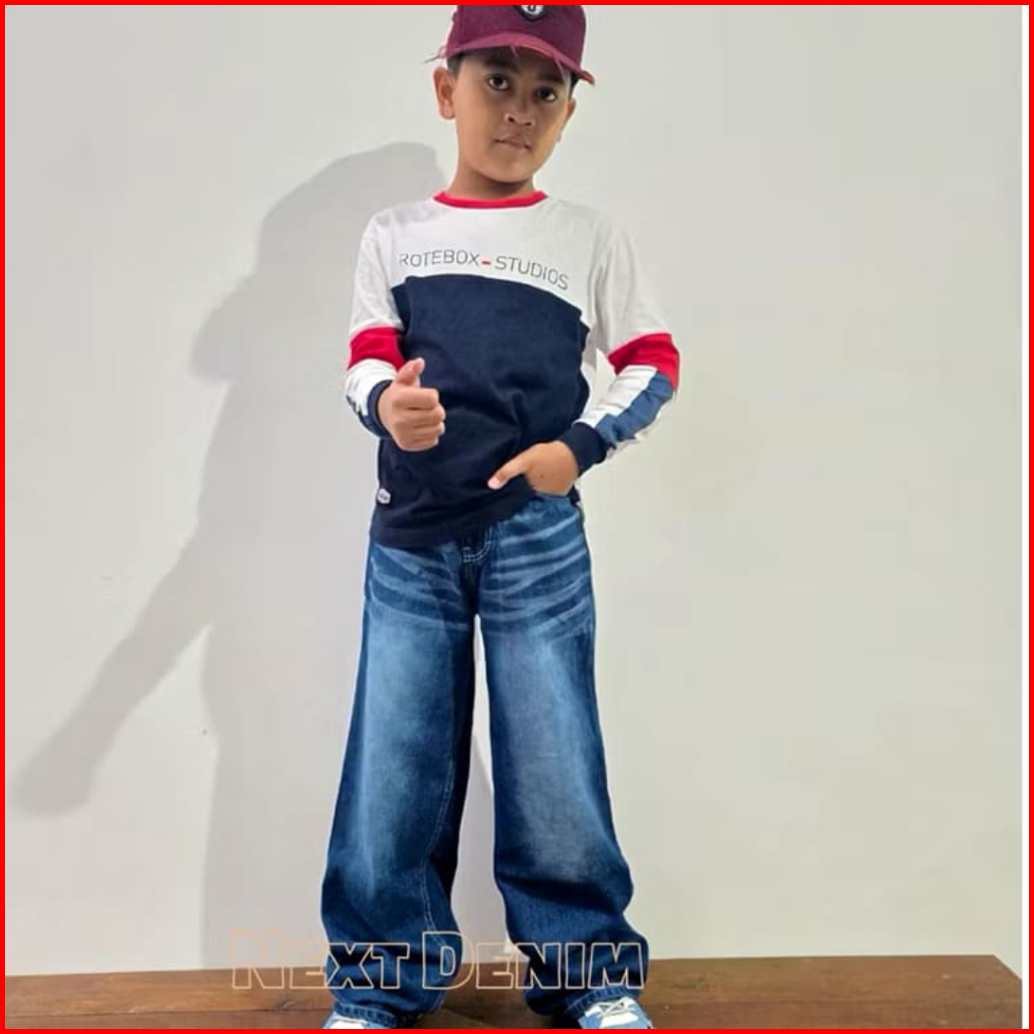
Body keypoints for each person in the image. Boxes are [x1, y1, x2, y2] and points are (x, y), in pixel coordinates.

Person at [321, 5, 680, 1029]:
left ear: (568, 112)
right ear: (446, 91)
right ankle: (380, 979)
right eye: (495, 81)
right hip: (411, 536)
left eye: (544, 90)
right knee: (396, 757)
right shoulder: (395, 235)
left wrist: (580, 448)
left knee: (553, 753)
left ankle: (588, 974)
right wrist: (387, 405)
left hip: (535, 536)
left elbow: (652, 360)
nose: (518, 109)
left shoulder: (586, 238)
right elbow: (363, 357)